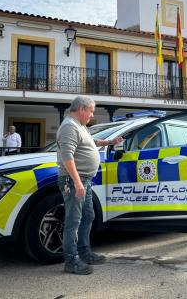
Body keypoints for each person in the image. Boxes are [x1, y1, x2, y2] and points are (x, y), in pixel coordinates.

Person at [57, 95, 123, 275]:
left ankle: (84, 252)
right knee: (73, 220)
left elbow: (91, 143)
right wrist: (77, 182)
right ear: (81, 109)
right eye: (91, 111)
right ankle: (71, 260)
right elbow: (67, 157)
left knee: (88, 215)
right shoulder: (69, 127)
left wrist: (110, 142)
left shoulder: (79, 126)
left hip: (84, 180)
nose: (92, 115)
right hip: (74, 181)